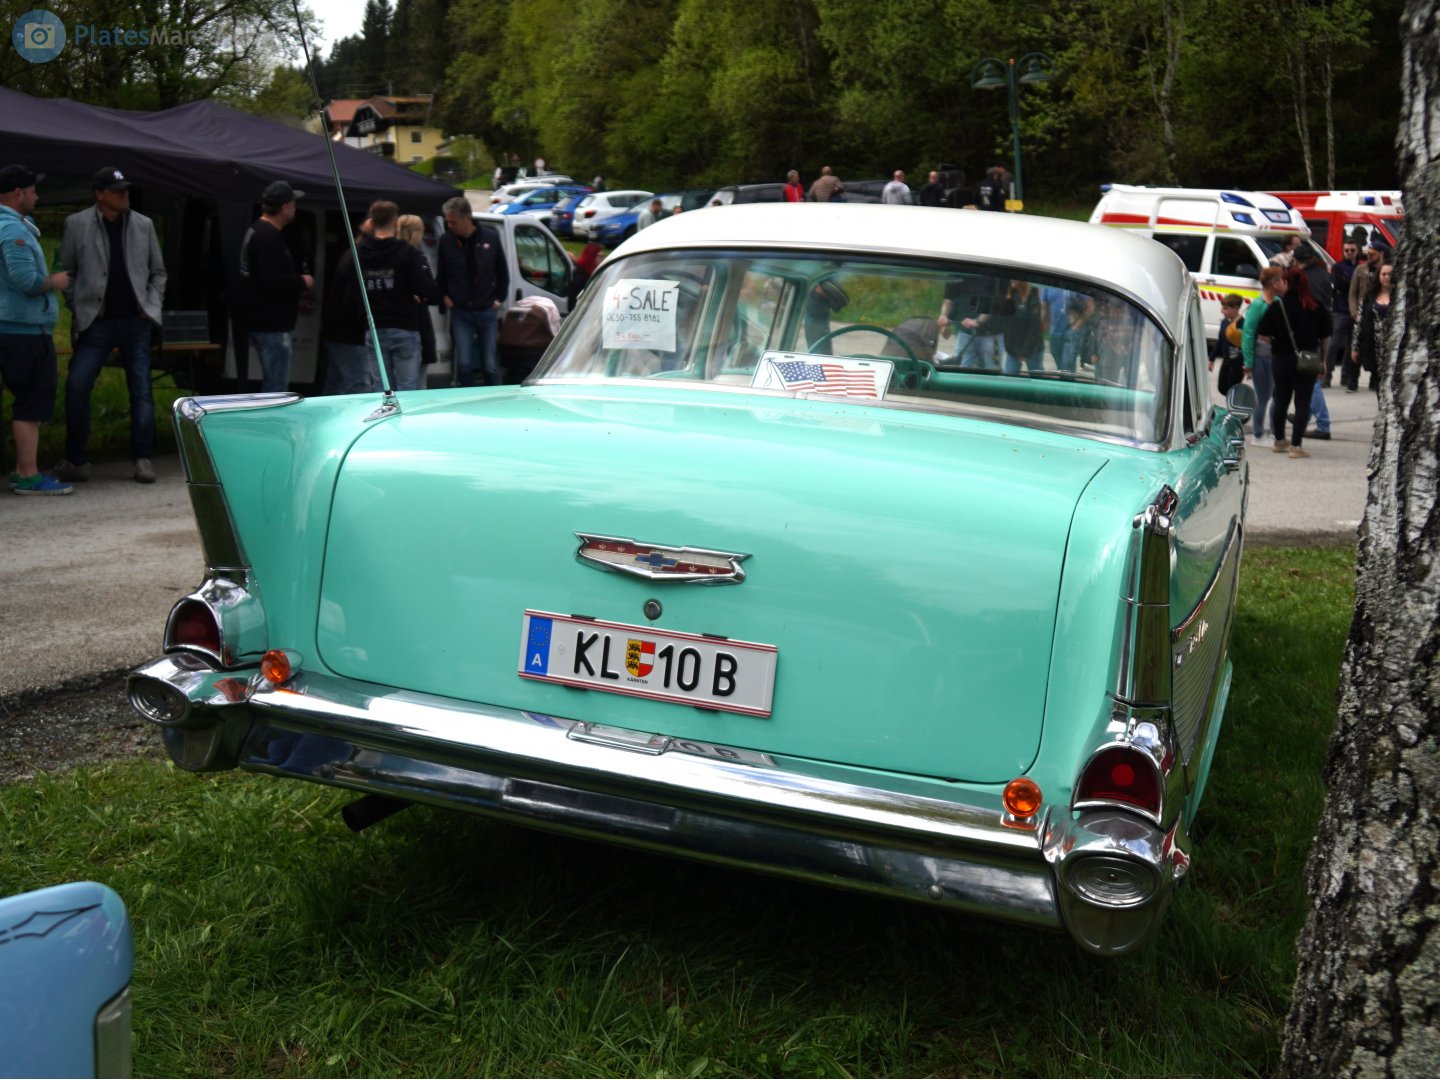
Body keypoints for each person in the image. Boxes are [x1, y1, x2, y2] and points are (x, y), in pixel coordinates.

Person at [54, 166, 167, 484]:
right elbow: (67, 272)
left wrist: (151, 305)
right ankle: (77, 459)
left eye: (126, 189)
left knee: (142, 390)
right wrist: (77, 305)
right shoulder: (76, 224)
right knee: (77, 385)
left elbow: (159, 271)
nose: (125, 194)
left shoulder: (143, 225)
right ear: (99, 194)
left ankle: (143, 458)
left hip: (135, 321)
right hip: (96, 321)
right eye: (118, 190)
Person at [0, 164, 72, 495]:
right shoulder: (10, 229)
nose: (37, 196)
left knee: (29, 400)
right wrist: (55, 281)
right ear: (18, 193)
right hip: (21, 331)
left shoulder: (17, 225)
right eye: (32, 191)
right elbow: (25, 280)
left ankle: (20, 470)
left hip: (16, 329)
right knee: (31, 402)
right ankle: (28, 474)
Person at [237, 180, 313, 392]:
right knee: (276, 387)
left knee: (274, 382)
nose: (295, 208)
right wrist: (302, 281)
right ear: (285, 207)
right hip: (271, 323)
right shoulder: (267, 236)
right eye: (293, 204)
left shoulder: (256, 230)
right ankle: (273, 423)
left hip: (262, 318)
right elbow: (272, 279)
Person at [355, 200, 438, 392]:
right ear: (394, 222)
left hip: (374, 325)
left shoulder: (361, 252)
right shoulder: (407, 252)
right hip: (403, 325)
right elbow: (426, 289)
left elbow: (355, 290)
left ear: (372, 221)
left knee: (380, 387)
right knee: (407, 386)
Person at [1256, 264, 1331, 458]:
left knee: (1281, 398)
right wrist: (1323, 360)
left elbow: (1262, 333)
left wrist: (1276, 340)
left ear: (1287, 282)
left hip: (1281, 358)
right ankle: (1296, 446)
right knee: (1303, 402)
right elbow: (1325, 337)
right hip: (1307, 358)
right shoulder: (1315, 305)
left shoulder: (1277, 305)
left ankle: (1279, 440)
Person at [436, 195, 509, 387]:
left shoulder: (490, 237)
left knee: (490, 365)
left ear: (467, 218)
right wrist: (444, 297)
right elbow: (441, 274)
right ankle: (468, 401)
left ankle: (497, 400)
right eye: (448, 222)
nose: (450, 226)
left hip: (486, 309)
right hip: (461, 311)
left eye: (454, 222)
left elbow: (502, 272)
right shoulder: (446, 241)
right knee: (464, 364)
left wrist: (499, 299)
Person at [320, 219, 376, 395]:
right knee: (359, 385)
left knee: (335, 385)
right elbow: (353, 299)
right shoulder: (360, 259)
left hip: (337, 330)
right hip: (350, 334)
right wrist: (365, 325)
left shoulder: (351, 254)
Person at [1241, 265, 1282, 445]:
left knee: (1276, 396)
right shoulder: (1258, 305)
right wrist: (1249, 361)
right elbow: (1248, 332)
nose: (1283, 283)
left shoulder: (1279, 302)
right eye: (1280, 280)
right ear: (1273, 283)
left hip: (1276, 356)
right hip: (1261, 356)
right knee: (1263, 396)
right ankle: (1258, 433)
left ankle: (1274, 432)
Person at [397, 214, 438, 371]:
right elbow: (429, 290)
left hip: (393, 321)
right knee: (412, 380)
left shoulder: (390, 254)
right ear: (415, 232)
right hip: (413, 322)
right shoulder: (416, 257)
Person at [1352, 260, 1392, 394]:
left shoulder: (1402, 296)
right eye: (1384, 274)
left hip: (1394, 348)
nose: (1387, 277)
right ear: (1378, 276)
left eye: (1390, 274)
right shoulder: (1369, 297)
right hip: (1374, 346)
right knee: (1379, 385)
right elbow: (1359, 323)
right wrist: (1355, 348)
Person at [1331, 233, 1362, 392]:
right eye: (1346, 250)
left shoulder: (1361, 267)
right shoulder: (1338, 267)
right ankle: (1327, 375)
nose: (1349, 253)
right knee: (1334, 344)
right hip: (1341, 309)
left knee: (1351, 347)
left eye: (1352, 250)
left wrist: (1349, 283)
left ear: (1357, 251)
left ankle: (1346, 376)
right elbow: (1339, 285)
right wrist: (1352, 283)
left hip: (1357, 311)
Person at [1209, 293, 1246, 396]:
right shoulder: (1225, 322)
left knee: (1232, 391)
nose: (1222, 311)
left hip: (1237, 363)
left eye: (1225, 308)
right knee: (1222, 388)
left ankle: (1232, 410)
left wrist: (1247, 364)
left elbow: (1247, 345)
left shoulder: (1242, 324)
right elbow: (1220, 341)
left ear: (1236, 308)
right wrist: (1212, 358)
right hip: (1226, 361)